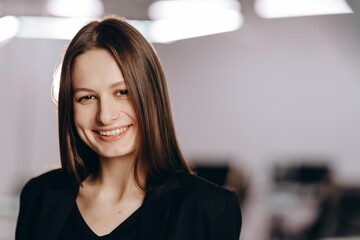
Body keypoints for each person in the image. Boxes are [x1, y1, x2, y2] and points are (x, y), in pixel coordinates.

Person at [15, 15, 242, 240]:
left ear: (152, 96)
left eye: (122, 92)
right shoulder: (39, 196)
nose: (105, 116)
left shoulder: (209, 210)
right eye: (87, 97)